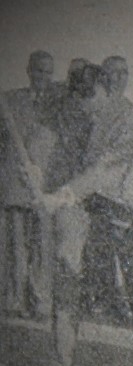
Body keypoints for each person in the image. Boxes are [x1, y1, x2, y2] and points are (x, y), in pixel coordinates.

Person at [39, 63, 133, 366]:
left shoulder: (127, 121)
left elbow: (104, 170)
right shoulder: (80, 111)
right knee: (67, 271)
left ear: (104, 90)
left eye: (89, 98)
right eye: (79, 99)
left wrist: (64, 194)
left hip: (126, 213)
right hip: (90, 205)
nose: (84, 106)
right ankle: (62, 358)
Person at [0, 50, 60, 318]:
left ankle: (40, 301)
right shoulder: (9, 101)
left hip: (44, 188)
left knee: (42, 246)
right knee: (16, 245)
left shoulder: (59, 105)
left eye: (48, 72)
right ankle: (15, 300)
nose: (43, 77)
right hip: (15, 184)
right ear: (28, 71)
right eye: (38, 71)